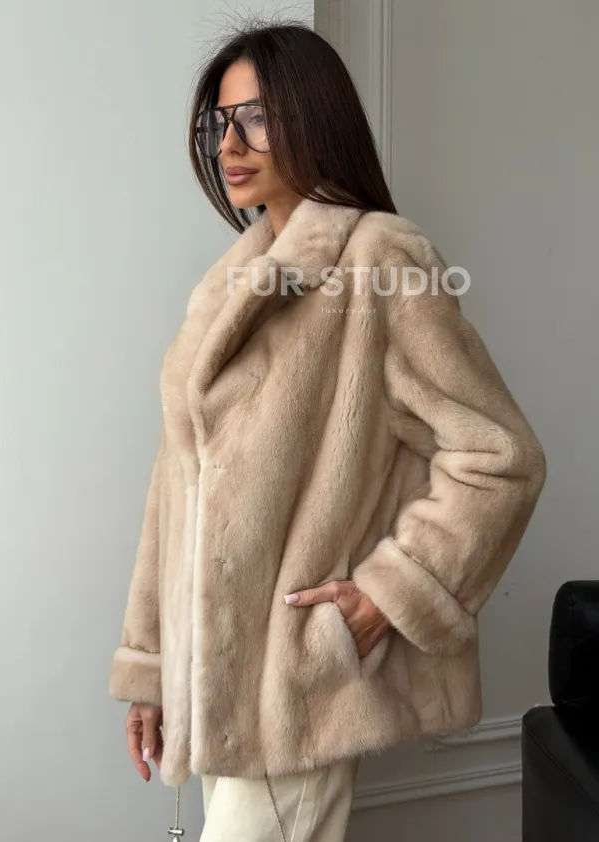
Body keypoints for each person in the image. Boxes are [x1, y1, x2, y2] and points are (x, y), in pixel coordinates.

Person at [108, 19, 547, 842]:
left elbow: (499, 456)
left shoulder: (381, 260)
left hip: (297, 697)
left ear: (314, 118)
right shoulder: (229, 284)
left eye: (256, 117)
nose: (229, 143)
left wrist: (389, 593)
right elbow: (176, 488)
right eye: (219, 121)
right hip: (216, 695)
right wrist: (154, 668)